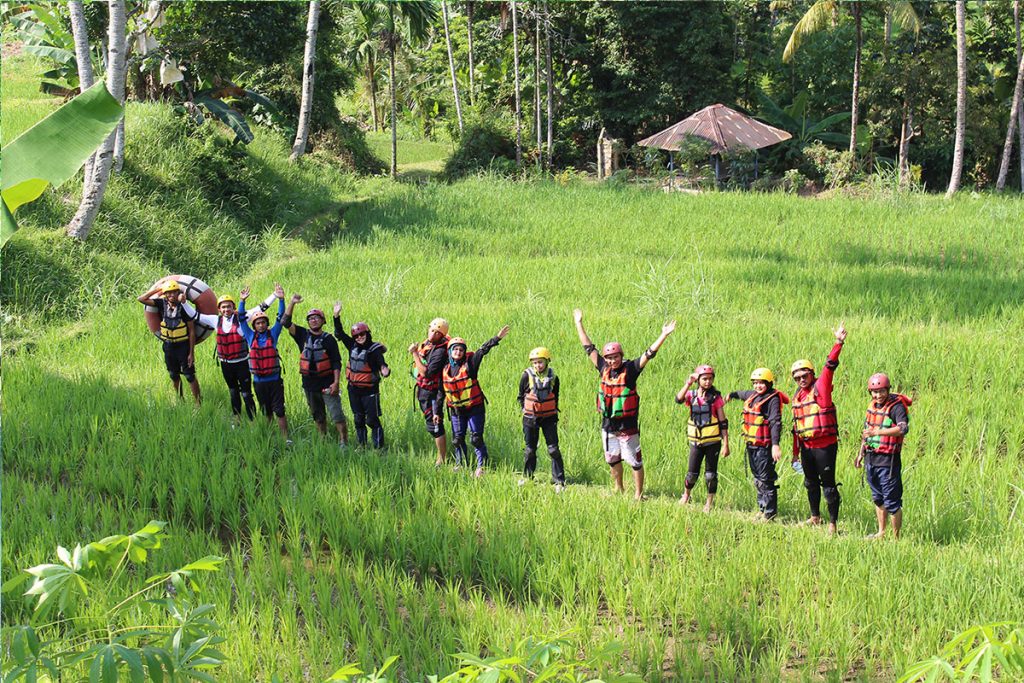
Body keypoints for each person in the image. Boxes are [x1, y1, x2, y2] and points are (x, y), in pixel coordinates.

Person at [573, 308, 676, 501]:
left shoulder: (630, 370)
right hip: (608, 424)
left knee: (634, 461)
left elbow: (649, 354)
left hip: (627, 425)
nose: (612, 360)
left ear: (621, 356)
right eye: (609, 358)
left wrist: (663, 334)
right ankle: (618, 488)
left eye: (615, 357)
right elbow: (588, 347)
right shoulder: (603, 367)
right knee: (613, 459)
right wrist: (579, 323)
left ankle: (638, 494)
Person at [790, 323, 848, 535]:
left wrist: (838, 342)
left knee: (829, 484)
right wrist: (795, 454)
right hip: (806, 447)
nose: (801, 380)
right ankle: (815, 517)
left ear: (811, 374)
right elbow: (796, 428)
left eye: (804, 375)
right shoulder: (798, 396)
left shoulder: (820, 387)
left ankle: (833, 524)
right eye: (797, 378)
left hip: (825, 446)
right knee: (810, 482)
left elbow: (830, 366)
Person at [442, 325, 510, 477]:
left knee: (476, 438)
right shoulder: (445, 368)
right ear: (450, 352)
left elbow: (482, 351)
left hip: (474, 408)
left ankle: (482, 466)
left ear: (464, 351)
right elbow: (443, 391)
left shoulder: (470, 364)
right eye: (455, 349)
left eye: (460, 350)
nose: (458, 352)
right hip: (456, 410)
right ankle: (461, 464)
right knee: (457, 439)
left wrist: (496, 338)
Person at [284, 294, 348, 447]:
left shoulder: (329, 339)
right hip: (309, 384)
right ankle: (323, 440)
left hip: (327, 383)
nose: (313, 320)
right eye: (310, 318)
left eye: (317, 317)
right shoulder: (302, 335)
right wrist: (292, 302)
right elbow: (285, 322)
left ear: (323, 321)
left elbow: (336, 363)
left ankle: (343, 442)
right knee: (318, 416)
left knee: (337, 414)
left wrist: (336, 383)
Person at [727, 369, 789, 521]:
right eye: (755, 383)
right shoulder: (753, 395)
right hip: (752, 444)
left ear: (768, 383)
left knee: (765, 478)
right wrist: (732, 395)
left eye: (761, 383)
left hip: (764, 446)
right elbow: (742, 394)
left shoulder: (772, 399)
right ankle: (762, 509)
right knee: (757, 479)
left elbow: (775, 422)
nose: (758, 386)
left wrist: (775, 445)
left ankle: (770, 513)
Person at [856, 373, 911, 540]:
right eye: (874, 392)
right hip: (871, 459)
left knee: (892, 502)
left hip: (888, 462)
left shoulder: (896, 407)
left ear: (888, 390)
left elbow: (903, 428)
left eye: (881, 391)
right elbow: (866, 432)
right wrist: (860, 453)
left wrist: (878, 431)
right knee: (878, 498)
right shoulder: (872, 406)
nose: (878, 395)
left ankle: (896, 538)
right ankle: (881, 532)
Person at [237, 284, 290, 445]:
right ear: (254, 325)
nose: (261, 325)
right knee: (266, 411)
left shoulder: (273, 334)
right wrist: (242, 301)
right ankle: (268, 436)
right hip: (259, 382)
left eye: (263, 322)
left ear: (266, 324)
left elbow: (281, 318)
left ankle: (285, 438)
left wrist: (281, 299)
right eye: (258, 323)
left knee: (279, 411)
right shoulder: (250, 336)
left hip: (274, 380)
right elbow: (240, 318)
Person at [333, 302, 390, 449]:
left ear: (367, 333)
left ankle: (379, 448)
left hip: (370, 391)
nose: (359, 337)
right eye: (356, 335)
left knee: (372, 420)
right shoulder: (352, 345)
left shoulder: (374, 349)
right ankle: (362, 445)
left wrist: (385, 370)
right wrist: (336, 316)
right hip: (353, 389)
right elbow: (339, 334)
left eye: (362, 334)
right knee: (358, 419)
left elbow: (381, 363)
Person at [675, 364, 729, 512]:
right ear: (699, 379)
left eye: (710, 379)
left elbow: (723, 422)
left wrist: (726, 444)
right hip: (696, 442)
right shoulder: (691, 396)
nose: (708, 382)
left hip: (712, 442)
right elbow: (678, 399)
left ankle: (709, 503)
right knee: (692, 474)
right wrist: (688, 382)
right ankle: (686, 495)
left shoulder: (715, 398)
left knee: (710, 475)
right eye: (704, 379)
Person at [138, 280, 201, 406]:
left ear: (178, 292)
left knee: (189, 375)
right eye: (168, 293)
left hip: (183, 345)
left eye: (174, 292)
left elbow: (192, 331)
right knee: (173, 374)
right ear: (165, 294)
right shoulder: (161, 303)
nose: (171, 295)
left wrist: (191, 353)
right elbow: (141, 298)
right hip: (168, 346)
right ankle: (180, 400)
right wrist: (159, 289)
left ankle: (198, 402)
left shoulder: (184, 307)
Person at [517, 347, 566, 491]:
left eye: (541, 362)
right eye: (535, 363)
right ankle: (527, 477)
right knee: (530, 450)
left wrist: (552, 409)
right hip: (530, 418)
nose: (538, 365)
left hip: (549, 417)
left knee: (553, 449)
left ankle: (559, 481)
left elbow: (556, 396)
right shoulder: (526, 376)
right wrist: (526, 409)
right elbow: (521, 395)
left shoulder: (554, 377)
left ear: (547, 362)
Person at [408, 318, 451, 466]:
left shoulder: (440, 351)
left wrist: (414, 353)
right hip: (423, 390)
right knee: (431, 424)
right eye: (432, 331)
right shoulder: (428, 344)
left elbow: (427, 373)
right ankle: (442, 455)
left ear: (442, 335)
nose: (433, 335)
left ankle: (442, 459)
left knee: (436, 424)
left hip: (433, 392)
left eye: (437, 333)